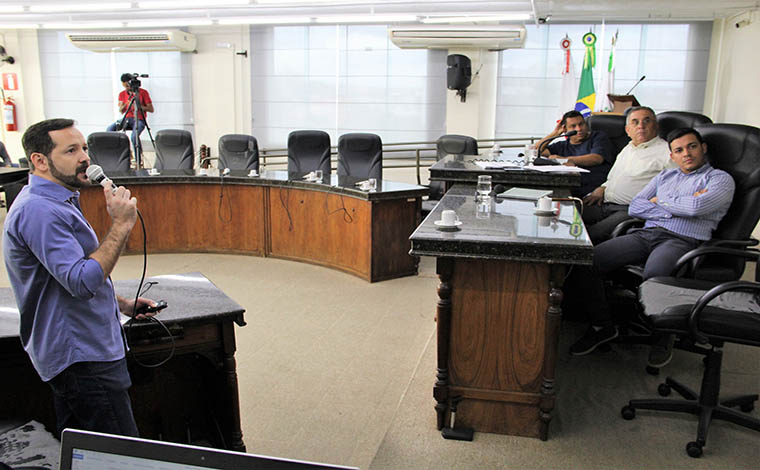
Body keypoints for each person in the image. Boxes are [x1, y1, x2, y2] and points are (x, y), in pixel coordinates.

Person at [3, 118, 158, 437]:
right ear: (40, 161)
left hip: (82, 347)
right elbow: (82, 281)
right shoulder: (41, 211)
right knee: (119, 454)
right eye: (71, 150)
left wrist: (122, 304)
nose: (85, 157)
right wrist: (121, 225)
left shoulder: (58, 200)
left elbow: (62, 277)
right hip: (82, 357)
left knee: (81, 451)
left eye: (84, 148)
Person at [567, 128, 735, 365]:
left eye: (692, 146)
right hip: (645, 234)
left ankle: (662, 337)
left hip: (681, 240)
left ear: (703, 148)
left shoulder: (719, 179)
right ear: (672, 156)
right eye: (679, 150)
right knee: (585, 261)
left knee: (654, 277)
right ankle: (603, 326)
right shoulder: (665, 177)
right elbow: (636, 207)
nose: (686, 153)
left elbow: (696, 208)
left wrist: (660, 203)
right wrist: (678, 208)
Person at [581, 106, 673, 244]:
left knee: (589, 235)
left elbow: (677, 187)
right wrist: (601, 189)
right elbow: (613, 178)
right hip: (604, 203)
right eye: (635, 122)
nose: (641, 126)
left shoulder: (668, 153)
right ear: (627, 130)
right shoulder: (628, 148)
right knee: (565, 215)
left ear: (656, 126)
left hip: (630, 211)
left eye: (646, 121)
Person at [536, 110, 615, 198]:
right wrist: (555, 133)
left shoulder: (598, 137)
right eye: (573, 126)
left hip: (592, 189)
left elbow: (596, 158)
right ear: (565, 129)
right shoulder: (561, 145)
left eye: (581, 124)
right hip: (568, 189)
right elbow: (536, 150)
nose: (579, 129)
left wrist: (564, 160)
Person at [106, 73, 154, 156]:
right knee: (110, 129)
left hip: (139, 119)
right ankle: (117, 154)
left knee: (134, 136)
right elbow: (121, 110)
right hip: (126, 119)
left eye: (127, 86)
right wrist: (127, 103)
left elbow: (151, 109)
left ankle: (138, 158)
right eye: (125, 86)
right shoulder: (122, 94)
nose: (127, 88)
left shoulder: (143, 93)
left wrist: (138, 106)